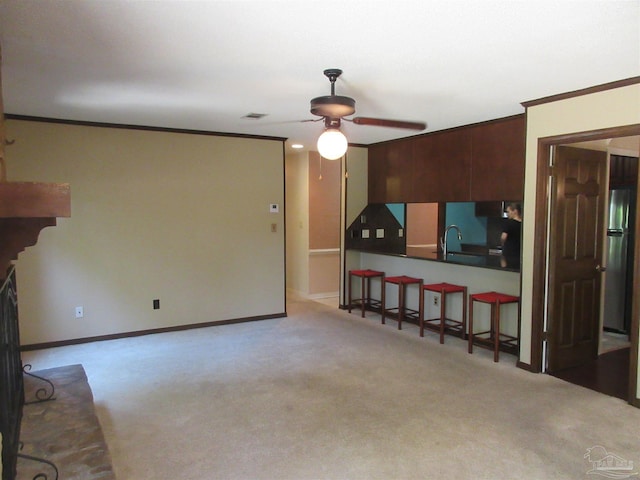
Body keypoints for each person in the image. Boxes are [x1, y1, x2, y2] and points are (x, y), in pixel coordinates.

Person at [501, 203, 522, 269]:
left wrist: (502, 244)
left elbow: (503, 237)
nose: (507, 214)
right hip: (519, 254)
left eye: (508, 212)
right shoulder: (523, 224)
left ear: (515, 211)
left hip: (509, 254)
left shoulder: (509, 223)